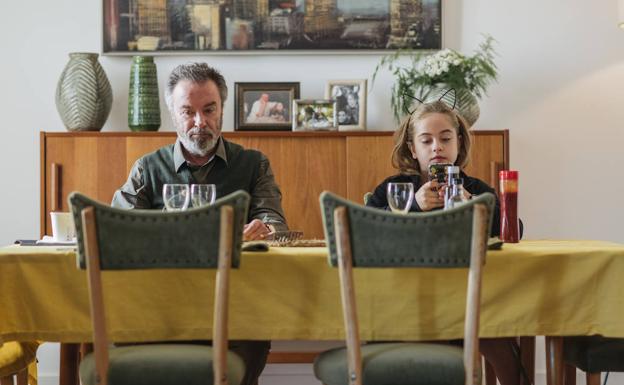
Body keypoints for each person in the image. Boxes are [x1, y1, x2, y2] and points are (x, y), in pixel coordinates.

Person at [112, 62, 286, 385]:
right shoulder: (147, 169)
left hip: (235, 312)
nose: (199, 122)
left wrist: (265, 231)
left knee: (248, 343)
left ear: (222, 109)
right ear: (172, 113)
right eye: (187, 112)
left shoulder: (253, 164)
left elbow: (274, 223)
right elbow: (116, 231)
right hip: (157, 311)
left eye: (209, 110)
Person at [367, 100, 521, 385]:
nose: (436, 147)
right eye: (426, 140)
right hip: (404, 296)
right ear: (413, 149)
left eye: (445, 139)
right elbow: (366, 232)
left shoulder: (476, 189)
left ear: (459, 144)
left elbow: (513, 232)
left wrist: (476, 207)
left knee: (497, 333)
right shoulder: (395, 189)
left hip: (468, 297)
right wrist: (412, 205)